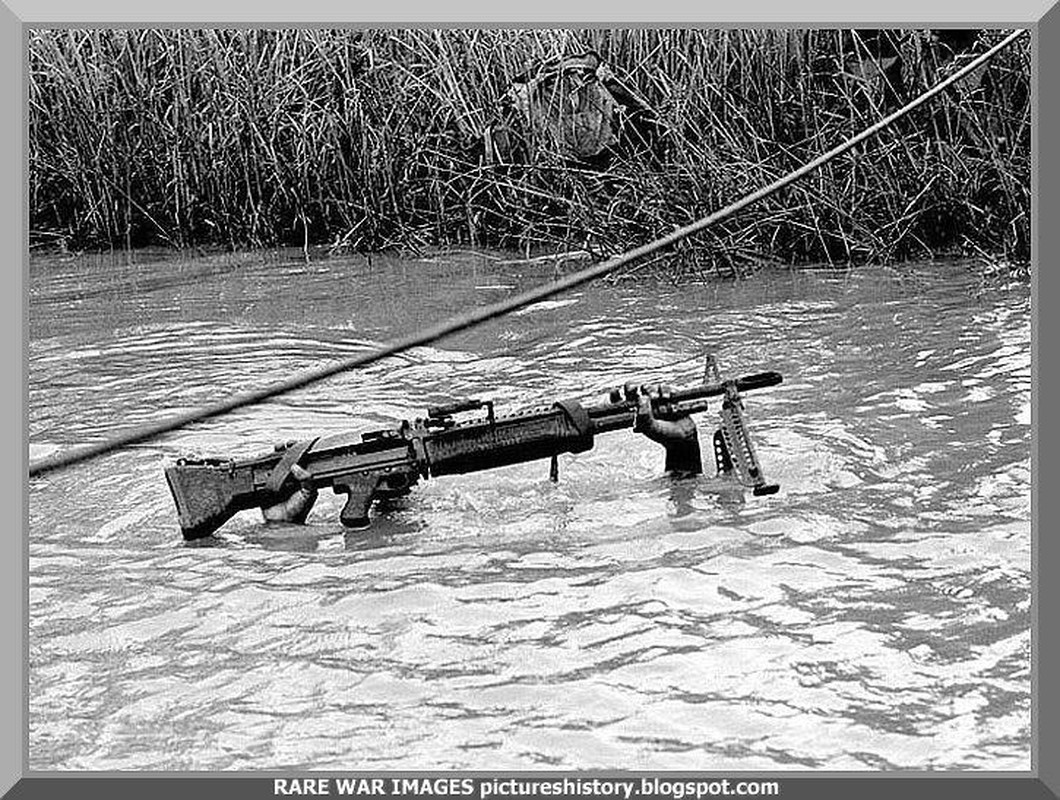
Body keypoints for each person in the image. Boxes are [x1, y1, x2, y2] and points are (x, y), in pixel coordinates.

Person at [261, 388, 708, 525]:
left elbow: (686, 494)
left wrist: (680, 442)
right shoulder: (408, 525)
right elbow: (355, 537)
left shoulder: (424, 503)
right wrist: (284, 527)